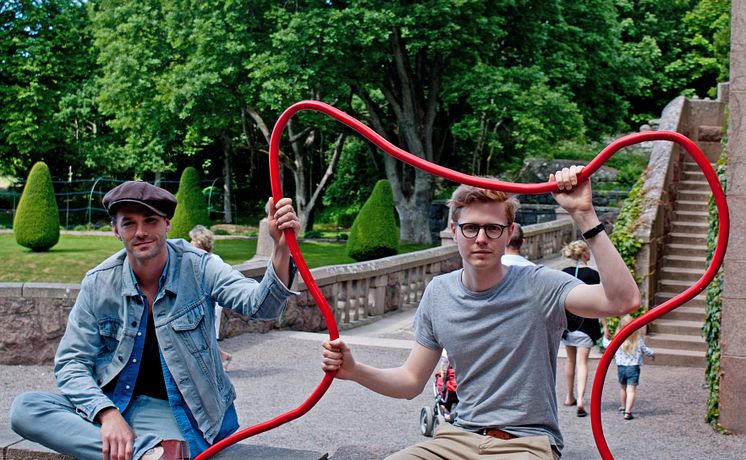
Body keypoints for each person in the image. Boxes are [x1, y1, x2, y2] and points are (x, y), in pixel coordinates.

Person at [322, 165, 640, 459]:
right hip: (456, 437)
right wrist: (354, 370)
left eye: (493, 229)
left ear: (509, 231)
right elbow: (410, 380)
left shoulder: (539, 284)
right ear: (454, 229)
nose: (481, 239)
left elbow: (623, 301)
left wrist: (584, 216)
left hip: (526, 443)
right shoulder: (439, 292)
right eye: (471, 228)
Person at [10, 180, 300, 460]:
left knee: (171, 444)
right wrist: (106, 414)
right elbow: (71, 363)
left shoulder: (199, 266)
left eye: (150, 220)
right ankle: (146, 453)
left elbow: (262, 307)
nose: (140, 232)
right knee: (26, 409)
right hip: (115, 402)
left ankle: (149, 450)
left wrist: (280, 247)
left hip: (177, 410)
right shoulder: (99, 283)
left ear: (167, 224)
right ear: (115, 230)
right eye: (129, 223)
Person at [559, 240, 609, 418]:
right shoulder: (593, 275)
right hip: (587, 325)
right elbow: (597, 303)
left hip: (568, 326)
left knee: (570, 361)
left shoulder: (565, 273)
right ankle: (580, 399)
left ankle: (568, 396)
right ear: (585, 253)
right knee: (582, 362)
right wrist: (605, 326)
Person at [189, 225, 232, 371]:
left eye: (193, 240)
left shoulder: (213, 260)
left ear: (201, 242)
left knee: (207, 335)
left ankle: (219, 361)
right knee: (206, 336)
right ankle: (222, 358)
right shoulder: (193, 258)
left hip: (211, 303)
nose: (190, 243)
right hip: (198, 302)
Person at [602, 315, 655, 420]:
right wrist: (652, 354)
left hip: (621, 367)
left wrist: (605, 337)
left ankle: (622, 406)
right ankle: (628, 412)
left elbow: (607, 345)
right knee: (631, 390)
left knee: (622, 388)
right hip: (633, 368)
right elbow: (645, 350)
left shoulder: (618, 340)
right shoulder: (638, 340)